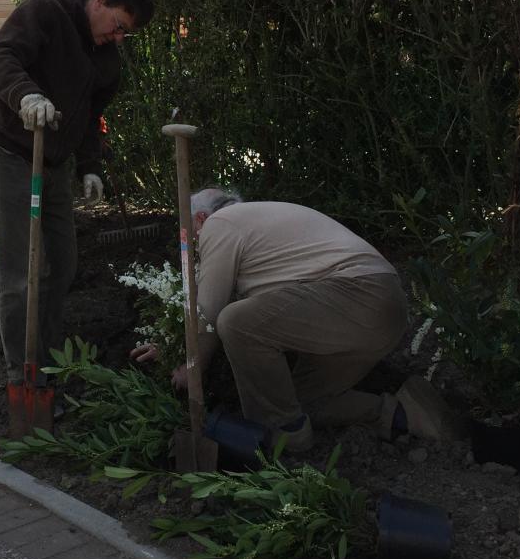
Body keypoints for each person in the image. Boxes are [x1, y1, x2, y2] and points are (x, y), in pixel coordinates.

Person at [131, 188, 463, 452]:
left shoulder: (222, 224)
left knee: (236, 321)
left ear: (201, 218)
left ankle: (282, 436)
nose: (192, 247)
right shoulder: (259, 229)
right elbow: (248, 314)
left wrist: (192, 368)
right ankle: (405, 413)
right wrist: (172, 345)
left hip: (356, 295)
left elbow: (209, 313)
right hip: (376, 312)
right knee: (296, 400)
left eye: (189, 236)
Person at [0, 0, 154, 387]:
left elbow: (92, 116)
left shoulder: (107, 59)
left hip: (54, 161)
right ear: (100, 0)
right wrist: (27, 95)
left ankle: (49, 356)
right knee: (20, 271)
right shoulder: (46, 11)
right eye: (118, 26)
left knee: (62, 262)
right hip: (10, 150)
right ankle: (22, 372)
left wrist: (91, 166)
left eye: (126, 33)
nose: (118, 38)